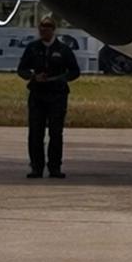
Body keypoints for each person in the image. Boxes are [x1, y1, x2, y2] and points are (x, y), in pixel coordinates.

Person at [16, 17, 80, 178]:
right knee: (35, 133)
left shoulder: (63, 49)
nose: (44, 29)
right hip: (38, 94)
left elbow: (75, 71)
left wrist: (62, 78)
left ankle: (55, 167)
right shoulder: (32, 48)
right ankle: (36, 167)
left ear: (54, 29)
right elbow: (21, 69)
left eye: (48, 27)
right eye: (42, 27)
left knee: (56, 133)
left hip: (57, 95)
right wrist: (32, 76)